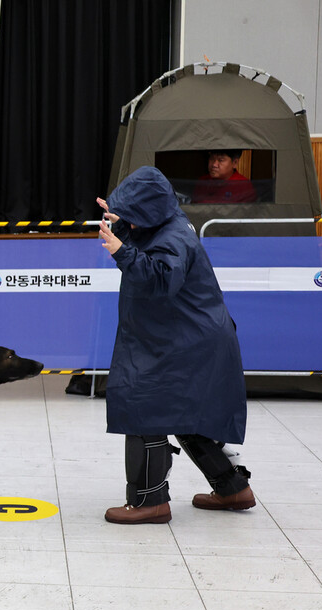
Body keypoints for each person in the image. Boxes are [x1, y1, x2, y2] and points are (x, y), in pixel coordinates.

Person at [97, 166, 255, 525]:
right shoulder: (166, 220)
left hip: (187, 341)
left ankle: (149, 501)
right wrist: (122, 220)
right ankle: (232, 488)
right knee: (187, 414)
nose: (129, 222)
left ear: (149, 211)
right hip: (190, 336)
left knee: (143, 402)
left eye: (132, 214)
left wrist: (121, 249)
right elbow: (144, 237)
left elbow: (159, 279)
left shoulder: (174, 239)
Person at [191, 149, 257, 203]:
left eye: (221, 160)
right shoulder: (203, 181)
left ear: (235, 163)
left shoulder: (243, 185)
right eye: (212, 159)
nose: (214, 164)